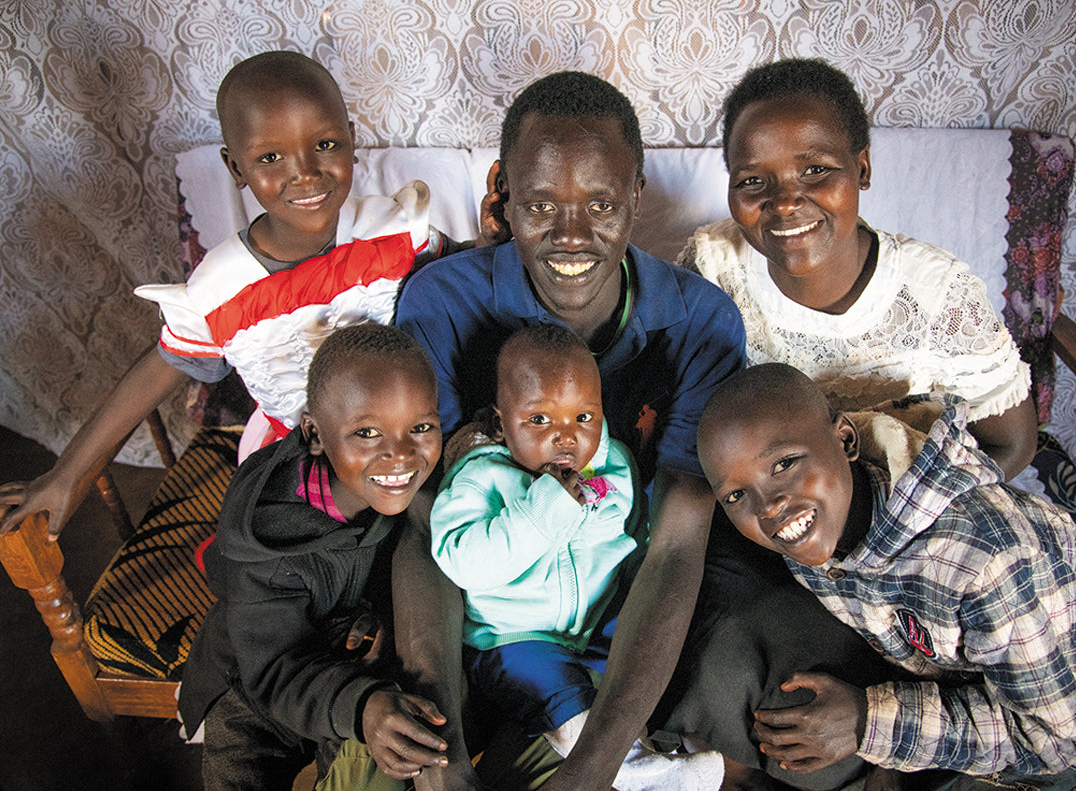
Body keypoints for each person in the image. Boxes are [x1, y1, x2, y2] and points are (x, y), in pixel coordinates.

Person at [392, 71, 746, 790]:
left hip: (627, 619)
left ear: (637, 194)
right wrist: (443, 755)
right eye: (541, 204)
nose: (573, 237)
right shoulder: (444, 302)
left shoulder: (700, 322)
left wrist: (595, 766)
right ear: (502, 191)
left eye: (603, 205)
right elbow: (426, 522)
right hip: (481, 624)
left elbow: (678, 545)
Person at [0, 50, 447, 541]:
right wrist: (68, 475)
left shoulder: (392, 233)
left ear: (351, 141)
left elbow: (465, 276)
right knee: (292, 548)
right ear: (236, 167)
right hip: (305, 463)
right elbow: (155, 373)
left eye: (325, 143)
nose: (305, 173)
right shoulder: (221, 289)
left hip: (409, 442)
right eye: (270, 158)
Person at [694, 362, 1076, 790]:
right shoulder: (808, 524)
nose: (768, 505)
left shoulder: (987, 560)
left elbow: (1063, 745)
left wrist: (869, 723)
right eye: (736, 495)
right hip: (953, 673)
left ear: (847, 441)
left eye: (783, 463)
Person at [680, 57, 1036, 481]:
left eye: (815, 170)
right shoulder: (715, 268)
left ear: (861, 168)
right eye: (752, 181)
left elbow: (1012, 442)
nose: (786, 202)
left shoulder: (938, 297)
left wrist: (909, 520)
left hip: (914, 510)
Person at [177, 321, 477, 790]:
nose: (400, 455)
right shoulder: (271, 538)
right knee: (236, 757)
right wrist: (362, 707)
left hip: (355, 665)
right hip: (259, 676)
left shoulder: (419, 489)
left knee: (381, 757)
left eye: (420, 427)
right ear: (314, 434)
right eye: (367, 433)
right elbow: (273, 668)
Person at [430, 324, 723, 790]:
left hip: (596, 618)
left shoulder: (614, 466)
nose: (566, 438)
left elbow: (635, 537)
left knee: (647, 650)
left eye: (583, 418)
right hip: (513, 637)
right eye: (540, 421)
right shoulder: (479, 477)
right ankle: (638, 772)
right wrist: (541, 512)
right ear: (502, 423)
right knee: (559, 693)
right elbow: (461, 559)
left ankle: (660, 740)